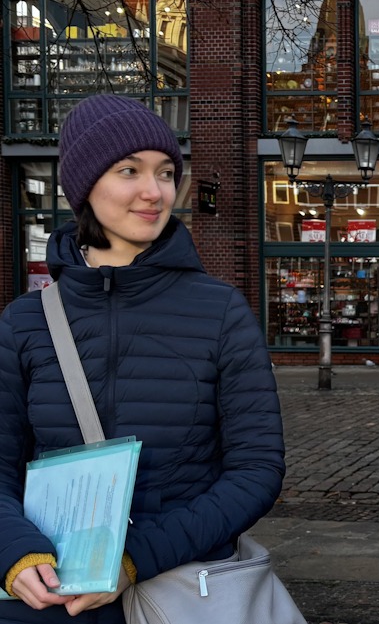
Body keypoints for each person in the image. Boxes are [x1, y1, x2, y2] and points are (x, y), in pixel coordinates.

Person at [0, 94, 286, 623]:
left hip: (179, 588)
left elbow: (255, 471)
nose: (153, 192)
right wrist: (15, 554)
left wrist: (135, 559)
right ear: (85, 187)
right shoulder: (25, 322)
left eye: (165, 172)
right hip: (51, 597)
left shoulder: (221, 311)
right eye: (128, 171)